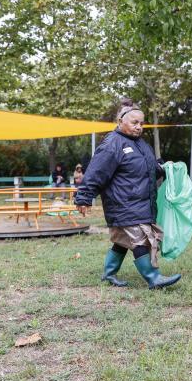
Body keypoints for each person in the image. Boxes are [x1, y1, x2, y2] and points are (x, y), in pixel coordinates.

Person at [74, 99, 181, 289]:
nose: (139, 127)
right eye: (134, 123)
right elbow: (96, 172)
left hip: (142, 203)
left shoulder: (141, 144)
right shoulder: (112, 143)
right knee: (139, 239)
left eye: (141, 123)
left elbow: (149, 169)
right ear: (120, 121)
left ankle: (109, 274)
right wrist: (84, 196)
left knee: (123, 242)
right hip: (123, 203)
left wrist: (164, 168)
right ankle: (153, 278)